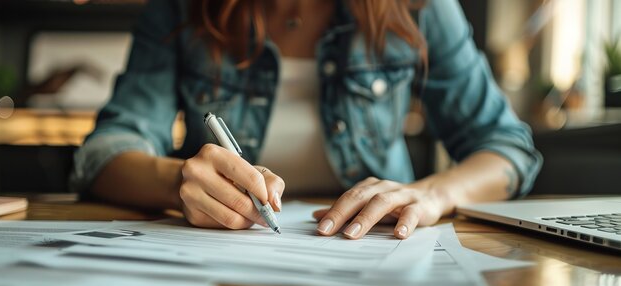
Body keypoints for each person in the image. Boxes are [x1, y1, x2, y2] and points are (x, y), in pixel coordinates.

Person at [70, 0, 542, 240]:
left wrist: (433, 193)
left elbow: (507, 148)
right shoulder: (182, 7)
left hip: (377, 266)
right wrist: (176, 182)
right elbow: (103, 153)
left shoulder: (418, 6)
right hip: (218, 271)